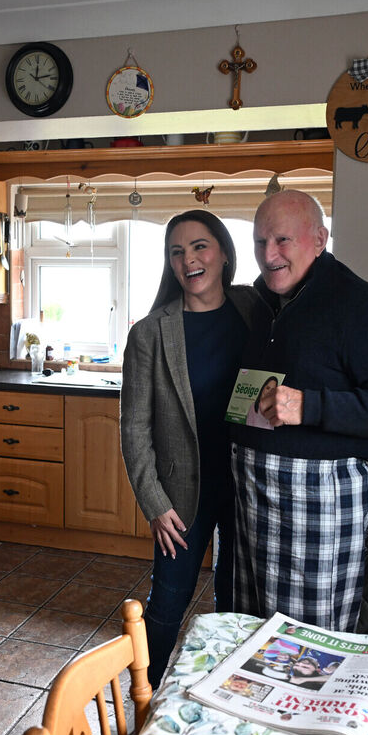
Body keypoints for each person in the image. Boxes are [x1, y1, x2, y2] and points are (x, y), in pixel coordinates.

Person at [229, 189, 368, 631]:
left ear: (320, 239)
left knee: (304, 645)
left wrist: (309, 405)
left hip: (313, 500)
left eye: (282, 240)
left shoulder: (360, 305)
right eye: (260, 242)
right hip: (250, 493)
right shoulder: (261, 300)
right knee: (249, 632)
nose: (269, 254)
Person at [120, 209, 260, 689]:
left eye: (200, 246)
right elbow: (134, 429)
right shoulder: (150, 333)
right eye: (176, 252)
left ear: (223, 252)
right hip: (180, 498)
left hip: (246, 488)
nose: (189, 259)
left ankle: (224, 697)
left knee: (235, 604)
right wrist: (155, 504)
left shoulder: (254, 309)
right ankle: (146, 700)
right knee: (167, 604)